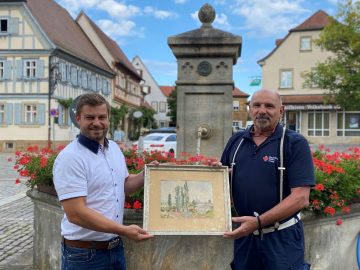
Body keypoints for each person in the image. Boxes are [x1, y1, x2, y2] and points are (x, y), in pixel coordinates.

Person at [53, 93, 153, 270]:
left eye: (102, 117)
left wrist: (149, 174)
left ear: (108, 119)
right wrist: (124, 230)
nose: (97, 122)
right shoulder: (70, 158)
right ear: (78, 119)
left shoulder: (113, 148)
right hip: (84, 255)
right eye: (90, 117)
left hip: (114, 249)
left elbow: (124, 187)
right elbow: (76, 213)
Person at [220, 89, 315, 270]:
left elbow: (301, 197)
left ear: (281, 111)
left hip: (282, 239)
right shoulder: (236, 141)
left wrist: (258, 222)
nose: (262, 111)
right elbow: (219, 180)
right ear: (250, 109)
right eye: (257, 105)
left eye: (269, 106)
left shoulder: (294, 143)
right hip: (245, 238)